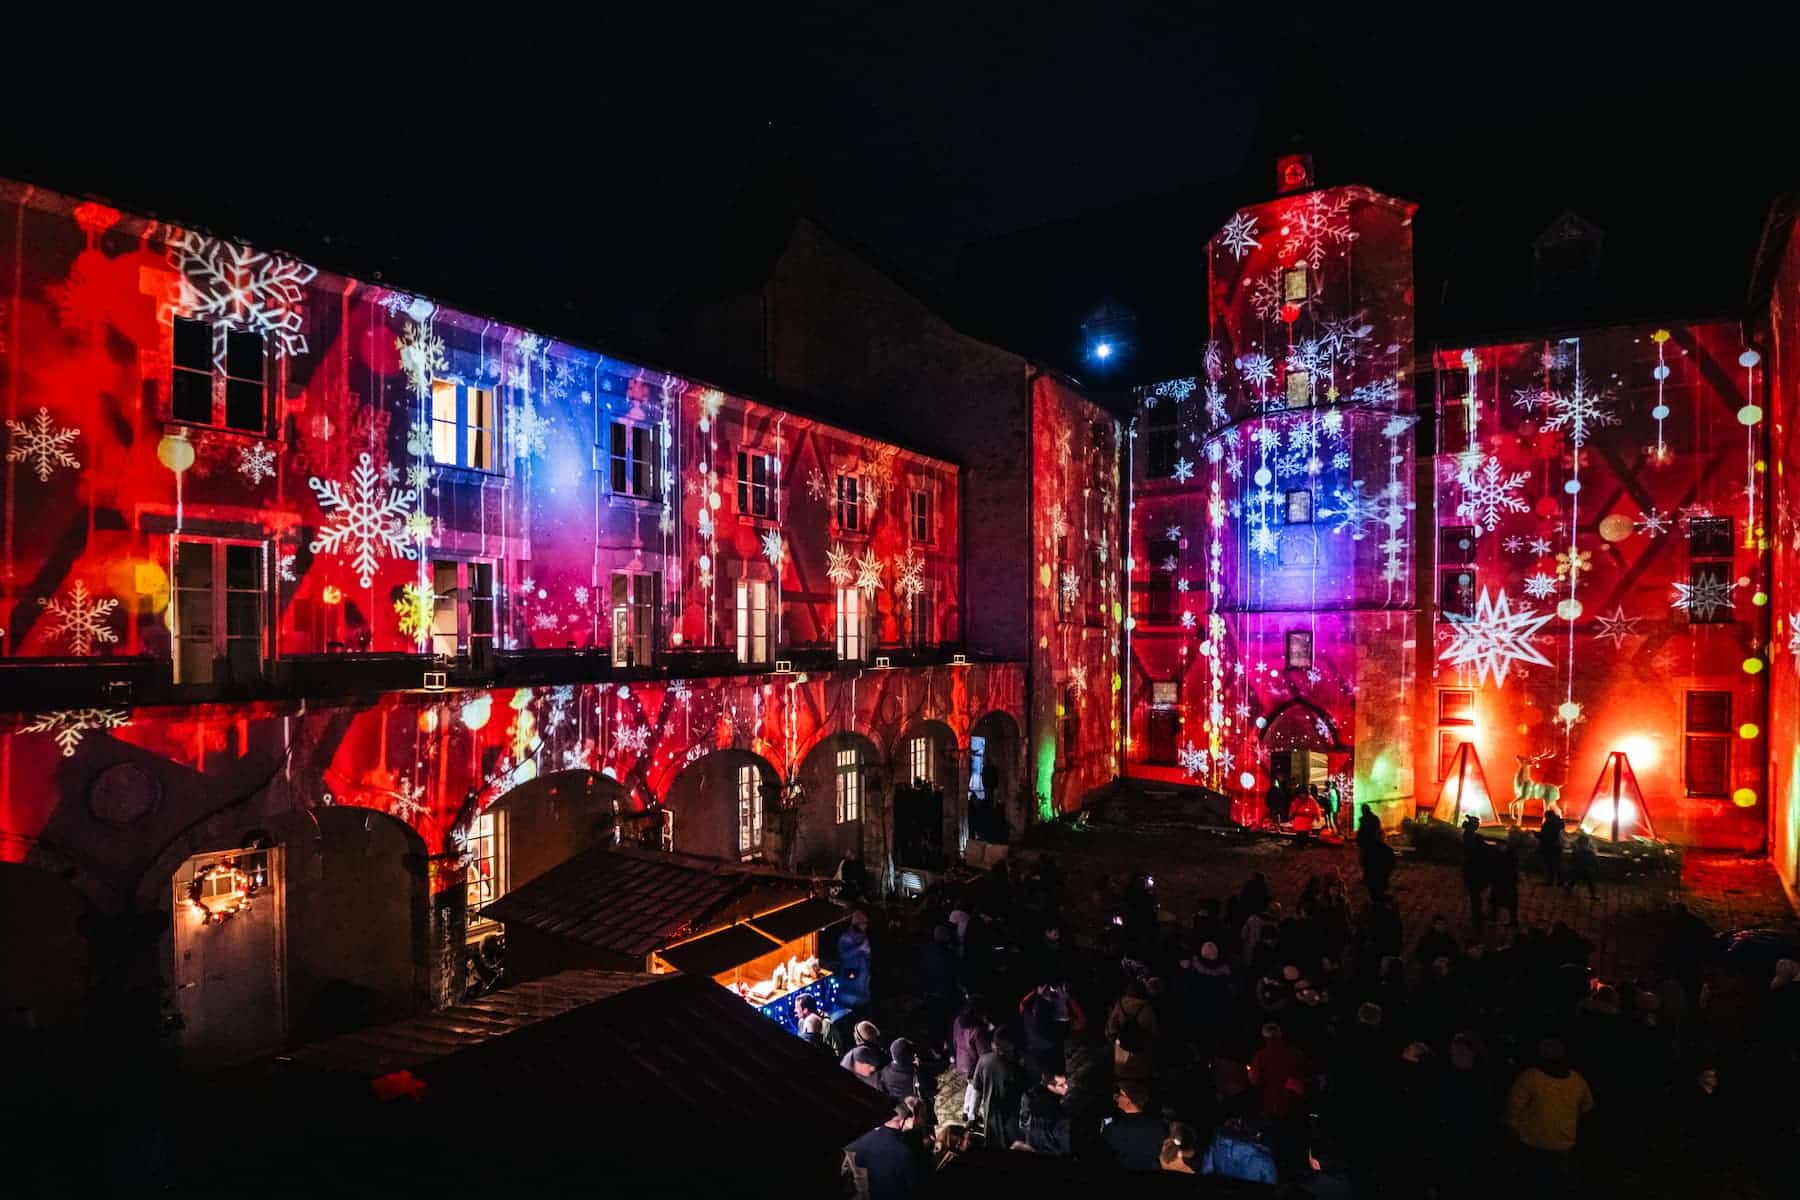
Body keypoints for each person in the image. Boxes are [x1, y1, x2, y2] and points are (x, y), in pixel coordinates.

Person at [1504, 1038, 1594, 1198]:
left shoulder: (1530, 1077)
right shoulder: (1577, 1080)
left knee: (1535, 1182)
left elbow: (1513, 1107)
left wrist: (1512, 1128)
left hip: (1533, 1141)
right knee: (1560, 1183)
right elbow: (1587, 1106)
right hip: (1564, 1141)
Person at [1249, 1021, 1311, 1180]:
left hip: (1273, 1103)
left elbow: (1255, 1081)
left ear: (1264, 1037)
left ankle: (1277, 1175)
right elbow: (1307, 1074)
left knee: (1275, 1140)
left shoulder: (1261, 1055)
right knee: (1294, 1138)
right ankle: (1296, 1172)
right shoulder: (1295, 1052)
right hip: (1295, 1102)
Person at [845, 1096, 928, 1200]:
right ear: (910, 1120)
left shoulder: (866, 1135)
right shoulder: (904, 1153)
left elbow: (859, 1160)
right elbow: (912, 1185)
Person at [969, 1031, 1027, 1150]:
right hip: (1012, 1120)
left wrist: (972, 1114)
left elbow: (976, 1091)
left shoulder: (983, 1061)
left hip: (991, 1116)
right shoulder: (1016, 1068)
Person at [1102, 1080, 1167, 1171]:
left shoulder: (1116, 1127)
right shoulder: (1157, 1124)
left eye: (1120, 1094)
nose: (1116, 1097)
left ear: (1129, 1100)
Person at [1106, 977, 1160, 1084]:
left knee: (1124, 1067)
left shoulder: (1121, 1003)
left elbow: (1111, 1025)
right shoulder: (1146, 1008)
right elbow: (1155, 1032)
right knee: (1142, 1068)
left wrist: (1114, 1040)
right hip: (1142, 1046)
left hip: (1123, 1042)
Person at [1019, 1072, 1072, 1155]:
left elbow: (1024, 1126)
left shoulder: (1028, 1097)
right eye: (1061, 1085)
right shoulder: (1059, 1110)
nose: (1066, 1087)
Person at [837, 911, 874, 1009]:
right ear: (857, 924)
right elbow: (844, 955)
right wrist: (860, 948)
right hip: (851, 976)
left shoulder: (864, 937)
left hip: (863, 978)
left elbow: (867, 953)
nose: (865, 926)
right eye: (864, 924)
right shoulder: (846, 937)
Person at [1461, 814, 1490, 930]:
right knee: (1476, 898)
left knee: (1475, 897)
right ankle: (1477, 920)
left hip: (1471, 872)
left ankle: (1477, 917)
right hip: (1475, 873)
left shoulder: (1468, 836)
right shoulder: (1475, 840)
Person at [1538, 806, 1567, 888]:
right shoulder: (1559, 822)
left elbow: (1545, 836)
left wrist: (1536, 834)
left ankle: (1549, 881)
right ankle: (1560, 881)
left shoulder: (1549, 824)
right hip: (1558, 846)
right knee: (1558, 865)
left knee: (1549, 865)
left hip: (1549, 847)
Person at [1567, 830, 1600, 900]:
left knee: (1579, 880)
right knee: (1587, 881)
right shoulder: (1589, 852)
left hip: (1581, 869)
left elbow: (1572, 860)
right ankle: (1593, 894)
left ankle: (1568, 888)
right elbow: (1595, 861)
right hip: (1584, 869)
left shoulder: (1578, 851)